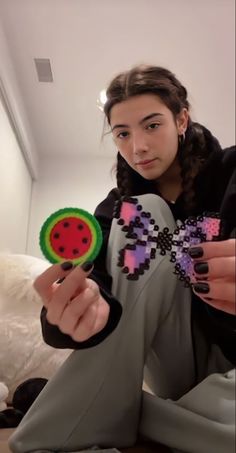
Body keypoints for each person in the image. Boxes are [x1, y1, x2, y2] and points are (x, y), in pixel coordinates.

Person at [9, 65, 235, 453]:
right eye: (123, 134)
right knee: (140, 211)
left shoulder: (231, 172)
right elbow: (94, 282)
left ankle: (130, 412)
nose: (138, 147)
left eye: (152, 125)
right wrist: (76, 313)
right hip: (173, 360)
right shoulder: (113, 213)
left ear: (181, 118)